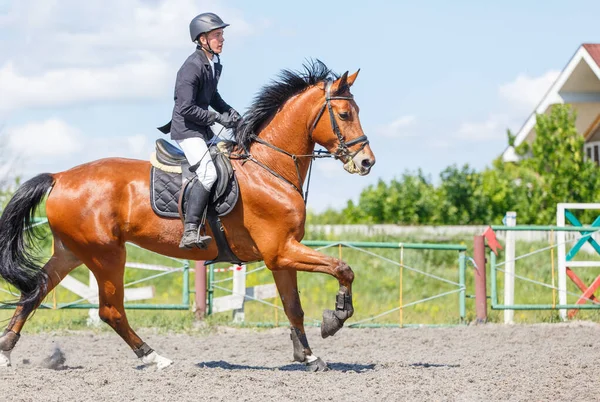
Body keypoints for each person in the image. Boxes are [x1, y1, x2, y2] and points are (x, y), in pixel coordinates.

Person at [158, 12, 241, 250]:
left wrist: (231, 112)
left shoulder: (211, 64)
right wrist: (216, 117)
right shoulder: (191, 67)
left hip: (200, 129)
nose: (222, 39)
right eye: (217, 35)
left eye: (222, 35)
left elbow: (212, 96)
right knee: (208, 174)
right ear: (202, 39)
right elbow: (185, 108)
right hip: (186, 130)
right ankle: (190, 230)